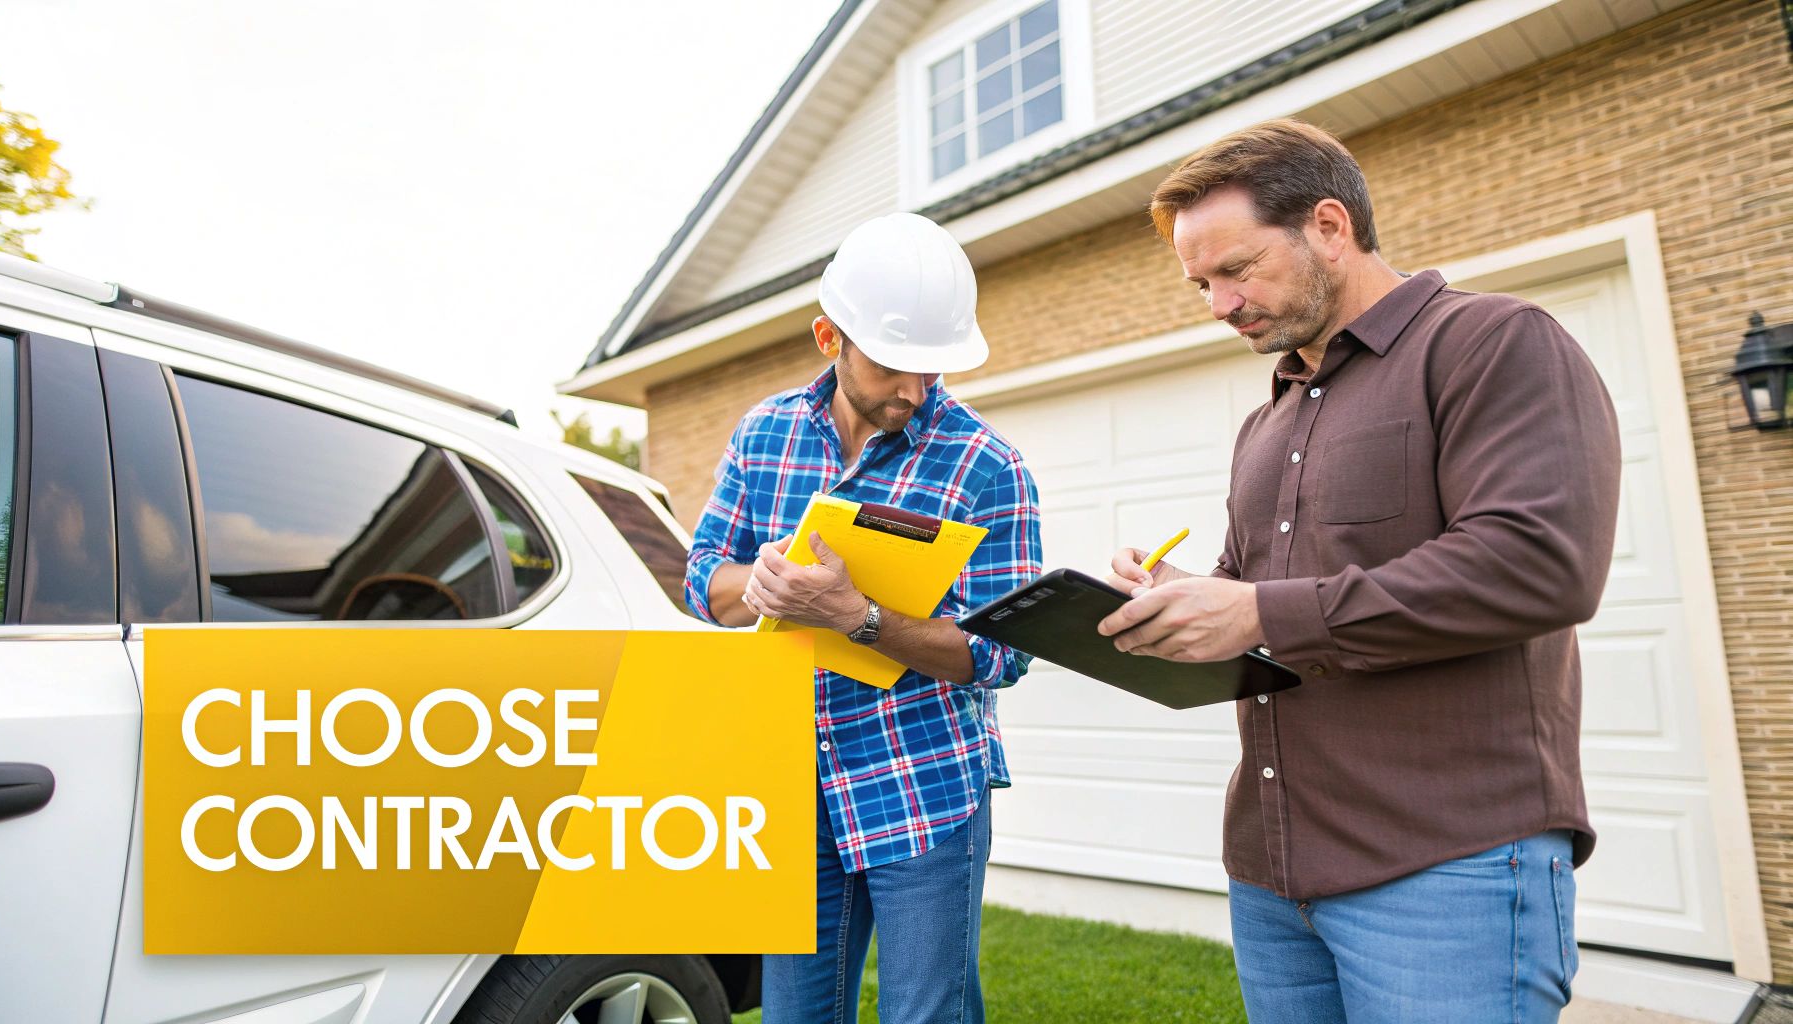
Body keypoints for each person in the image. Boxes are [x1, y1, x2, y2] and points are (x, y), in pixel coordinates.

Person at [1099, 119, 1621, 1022]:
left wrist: (1260, 611)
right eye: (1201, 283)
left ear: (1330, 227)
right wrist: (1176, 601)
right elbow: (1252, 590)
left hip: (1447, 864)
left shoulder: (1492, 343)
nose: (1220, 304)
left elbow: (1540, 564)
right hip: (1273, 872)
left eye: (1238, 269)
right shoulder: (1266, 422)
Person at [684, 211, 1042, 1024]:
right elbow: (703, 578)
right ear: (827, 336)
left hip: (922, 784)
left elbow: (1001, 655)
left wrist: (861, 617)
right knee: (795, 1016)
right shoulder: (763, 432)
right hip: (792, 781)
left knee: (927, 1015)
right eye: (894, 366)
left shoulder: (989, 466)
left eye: (933, 369)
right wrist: (764, 586)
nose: (915, 392)